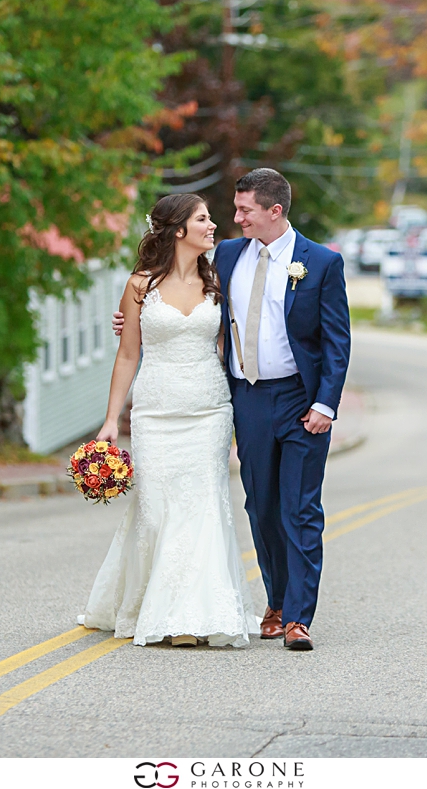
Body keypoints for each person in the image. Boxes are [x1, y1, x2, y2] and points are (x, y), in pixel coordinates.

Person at [113, 169, 351, 651]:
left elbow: (336, 341)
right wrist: (131, 318)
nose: (233, 218)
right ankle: (277, 600)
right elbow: (177, 296)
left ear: (274, 211)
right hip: (246, 398)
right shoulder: (225, 256)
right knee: (261, 506)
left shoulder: (322, 263)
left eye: (244, 210)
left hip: (303, 400)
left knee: (301, 508)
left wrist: (326, 402)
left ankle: (299, 618)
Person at [78, 193, 260, 648]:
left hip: (208, 411)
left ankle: (187, 618)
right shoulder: (140, 285)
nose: (214, 224)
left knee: (200, 511)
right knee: (157, 511)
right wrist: (109, 420)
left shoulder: (220, 279)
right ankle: (147, 603)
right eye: (203, 218)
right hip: (156, 413)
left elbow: (242, 335)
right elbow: (127, 354)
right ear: (178, 229)